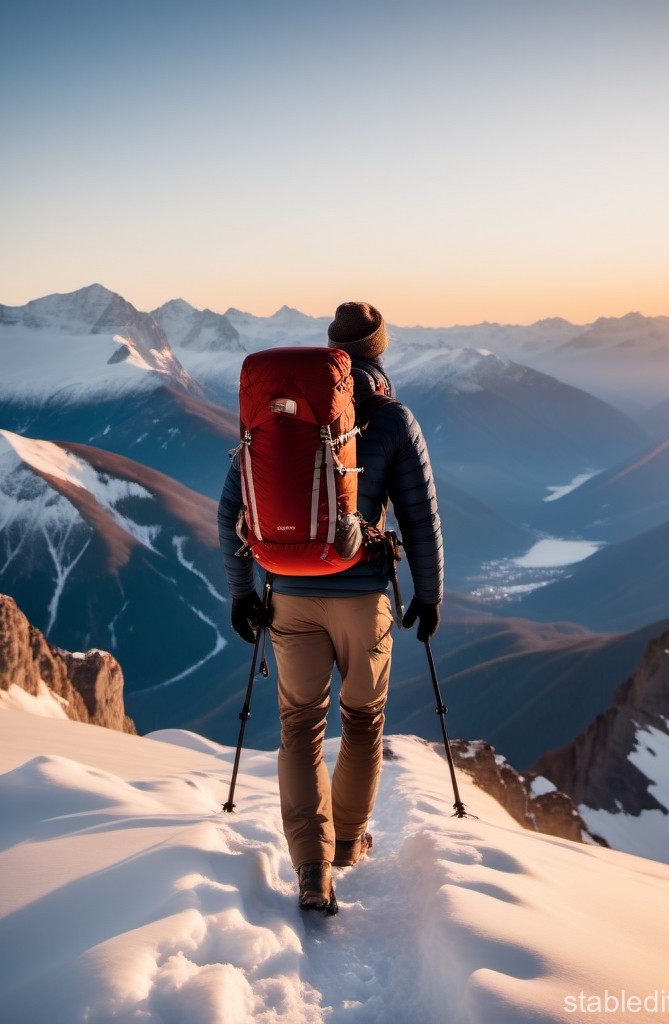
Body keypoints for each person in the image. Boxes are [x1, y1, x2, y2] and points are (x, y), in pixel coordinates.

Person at [217, 301, 444, 914]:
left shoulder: (277, 415)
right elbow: (419, 516)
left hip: (288, 595)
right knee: (362, 723)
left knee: (299, 728)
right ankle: (347, 841)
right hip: (363, 598)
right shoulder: (394, 419)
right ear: (381, 349)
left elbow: (230, 511)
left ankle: (311, 866)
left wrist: (243, 592)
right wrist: (429, 594)